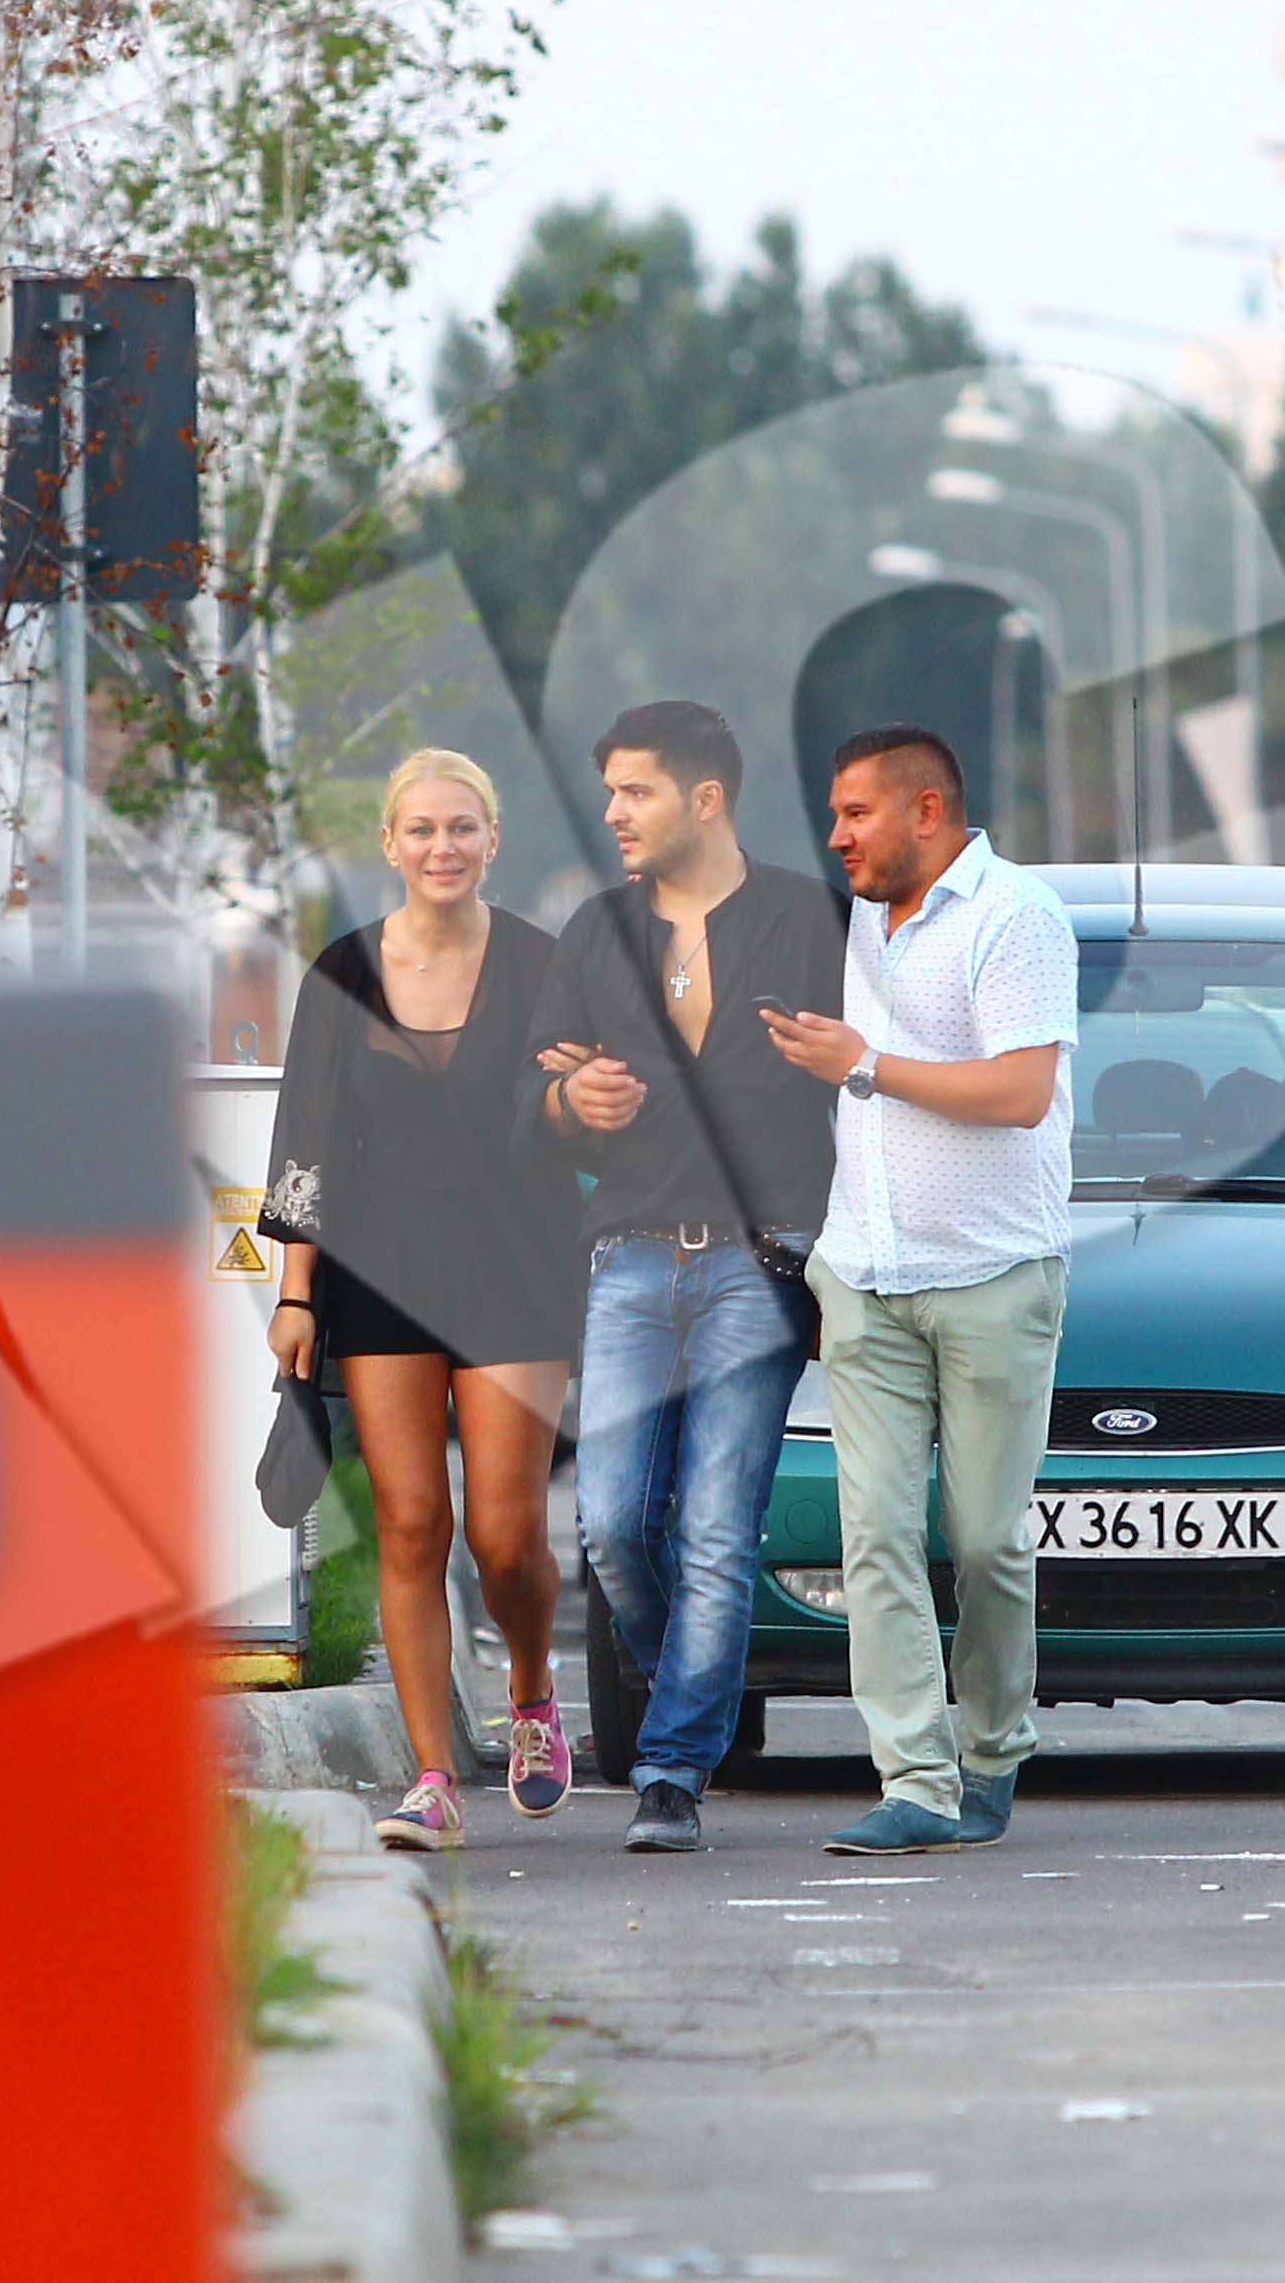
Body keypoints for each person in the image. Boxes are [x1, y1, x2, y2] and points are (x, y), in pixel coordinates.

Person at [519, 700, 847, 1857]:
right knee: (610, 1527)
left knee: (717, 1529)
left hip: (759, 1266)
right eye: (608, 791)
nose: (612, 812)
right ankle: (686, 1691)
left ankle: (672, 1770)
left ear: (704, 798)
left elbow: (828, 1080)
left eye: (635, 791)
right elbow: (535, 1100)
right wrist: (572, 1100)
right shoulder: (596, 933)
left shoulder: (811, 920)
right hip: (627, 1260)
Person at [758, 727, 1078, 1857]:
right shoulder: (852, 919)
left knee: (987, 1542)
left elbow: (1022, 1092)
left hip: (994, 1276)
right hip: (867, 1275)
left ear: (926, 810)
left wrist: (864, 1064)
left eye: (856, 814)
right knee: (876, 1539)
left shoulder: (1015, 917)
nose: (837, 836)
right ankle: (916, 1781)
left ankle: (993, 1751)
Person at [261, 750, 580, 1851]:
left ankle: (533, 1694)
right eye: (422, 830)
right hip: (377, 1269)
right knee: (408, 1522)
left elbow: (586, 1110)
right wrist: (297, 1293)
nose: (442, 848)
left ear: (493, 840)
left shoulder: (546, 966)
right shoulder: (342, 975)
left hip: (515, 1270)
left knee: (503, 1537)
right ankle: (433, 1779)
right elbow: (303, 1141)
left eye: (462, 829)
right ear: (391, 846)